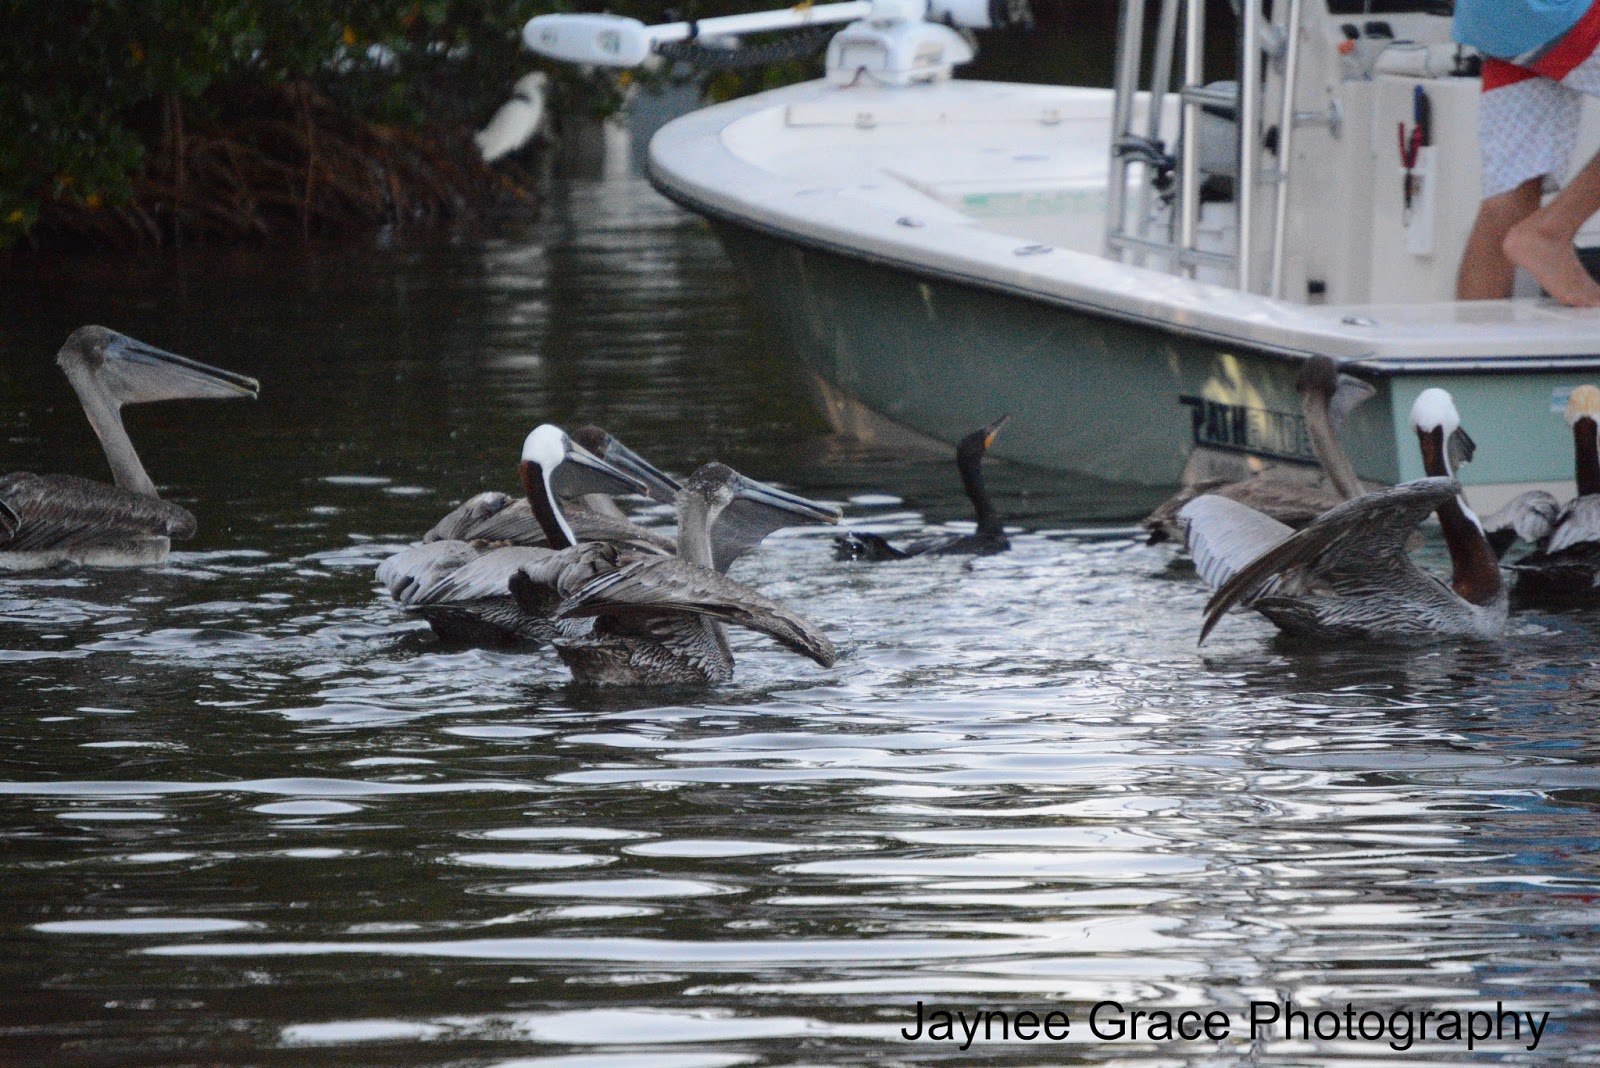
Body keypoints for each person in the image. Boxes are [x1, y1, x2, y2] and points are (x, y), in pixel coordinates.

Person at [1456, 0, 1600, 306]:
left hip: (1496, 17)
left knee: (1512, 185)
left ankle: (1470, 346)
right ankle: (1550, 233)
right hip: (1552, 10)